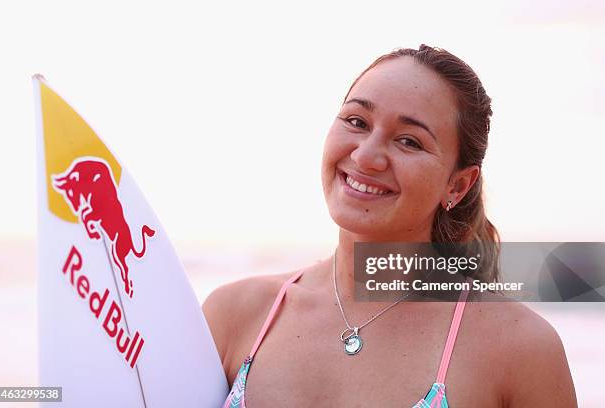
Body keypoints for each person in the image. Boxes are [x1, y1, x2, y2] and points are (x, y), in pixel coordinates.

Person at [202, 45, 578, 407]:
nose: (366, 156)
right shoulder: (235, 315)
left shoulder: (519, 349)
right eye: (356, 121)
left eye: (409, 141)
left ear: (458, 185)